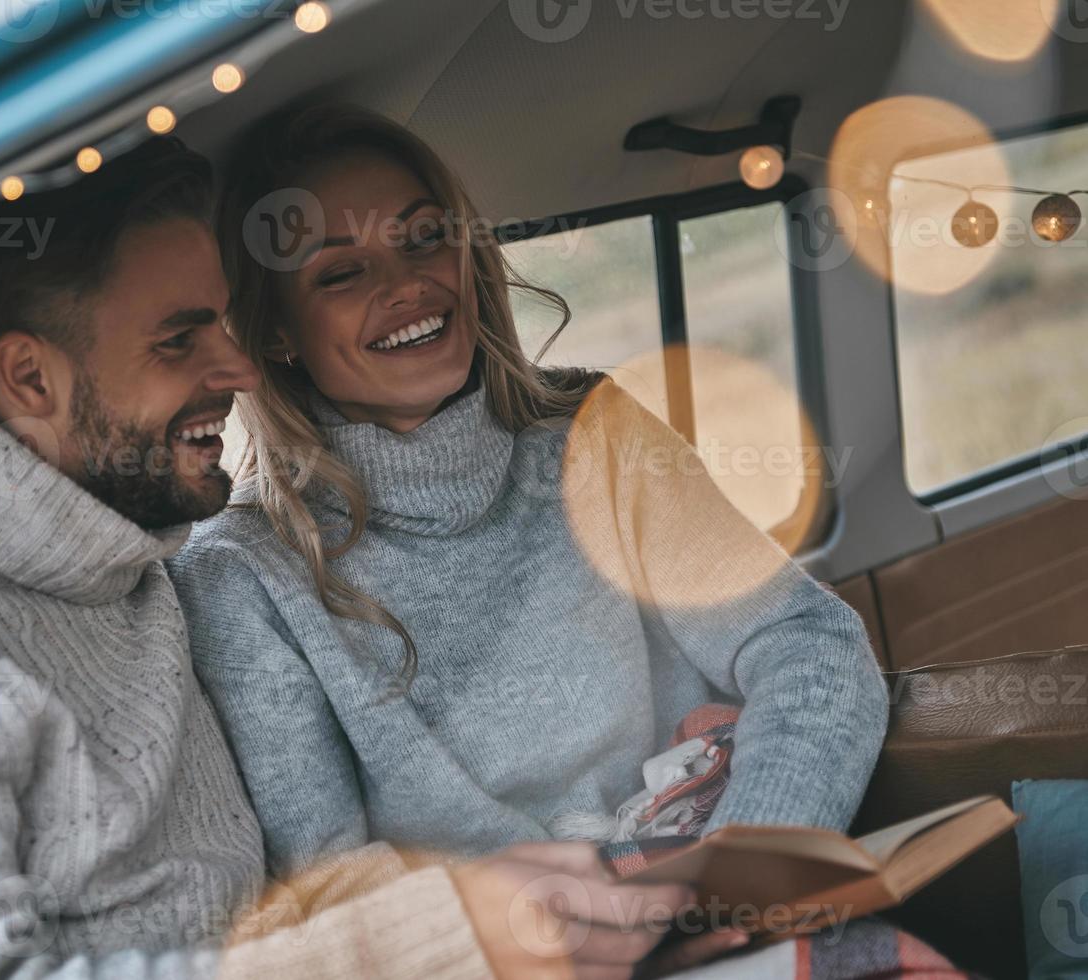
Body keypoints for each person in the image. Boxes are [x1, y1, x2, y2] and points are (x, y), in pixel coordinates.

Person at [0, 136, 733, 980]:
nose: (238, 368)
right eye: (181, 339)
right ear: (30, 379)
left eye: (228, 327)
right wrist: (433, 937)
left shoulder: (151, 591)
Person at [169, 105, 890, 880]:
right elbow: (338, 881)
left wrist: (749, 872)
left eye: (423, 239)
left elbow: (810, 643)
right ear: (276, 331)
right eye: (342, 273)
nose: (407, 285)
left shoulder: (598, 436)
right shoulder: (242, 572)